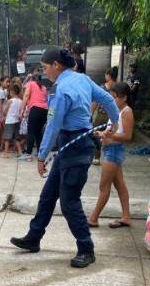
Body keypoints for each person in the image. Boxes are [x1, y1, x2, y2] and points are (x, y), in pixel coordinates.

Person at [10, 47, 120, 268]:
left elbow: (53, 125)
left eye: (44, 67)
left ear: (56, 65)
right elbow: (108, 98)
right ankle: (33, 238)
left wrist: (41, 157)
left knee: (69, 201)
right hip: (72, 146)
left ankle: (86, 248)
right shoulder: (83, 79)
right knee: (49, 195)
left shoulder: (60, 91)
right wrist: (114, 122)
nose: (44, 71)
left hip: (76, 146)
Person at [87, 83, 134, 229]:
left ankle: (93, 218)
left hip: (114, 150)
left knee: (104, 186)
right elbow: (112, 130)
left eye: (114, 97)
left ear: (124, 97)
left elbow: (127, 135)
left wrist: (109, 135)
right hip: (109, 149)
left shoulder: (126, 112)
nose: (112, 100)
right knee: (119, 184)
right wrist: (102, 134)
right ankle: (126, 217)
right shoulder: (115, 110)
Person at [19, 72, 48, 161]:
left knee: (31, 131)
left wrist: (22, 110)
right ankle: (39, 152)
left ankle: (28, 153)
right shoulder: (44, 87)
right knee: (38, 132)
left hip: (35, 109)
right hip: (44, 110)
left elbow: (26, 95)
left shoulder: (31, 84)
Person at [1, 84, 23, 158]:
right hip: (17, 121)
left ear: (12, 92)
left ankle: (6, 153)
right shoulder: (21, 101)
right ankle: (20, 152)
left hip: (9, 121)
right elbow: (20, 112)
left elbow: (4, 112)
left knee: (7, 138)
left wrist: (4, 113)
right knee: (16, 138)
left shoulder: (10, 101)